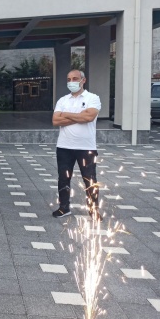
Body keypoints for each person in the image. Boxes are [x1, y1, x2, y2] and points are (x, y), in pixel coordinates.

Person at [51, 70, 102, 219]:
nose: (71, 82)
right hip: (64, 146)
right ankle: (64, 207)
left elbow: (89, 117)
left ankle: (93, 210)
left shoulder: (93, 98)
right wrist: (80, 116)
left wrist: (66, 114)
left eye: (75, 79)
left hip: (86, 147)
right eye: (69, 79)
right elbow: (55, 121)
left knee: (90, 178)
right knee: (63, 178)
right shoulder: (63, 100)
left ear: (83, 80)